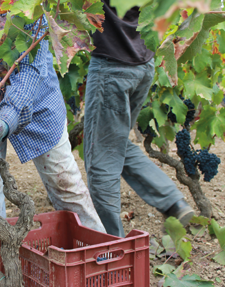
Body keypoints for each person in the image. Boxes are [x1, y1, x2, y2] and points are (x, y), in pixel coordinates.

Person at [0, 0, 106, 285]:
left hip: (38, 108)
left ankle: (101, 261)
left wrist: (5, 120)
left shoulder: (28, 9)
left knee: (66, 186)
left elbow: (31, 73)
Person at [83, 1, 194, 238]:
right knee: (116, 145)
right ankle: (172, 202)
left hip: (113, 66)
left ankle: (112, 246)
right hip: (142, 63)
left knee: (100, 160)